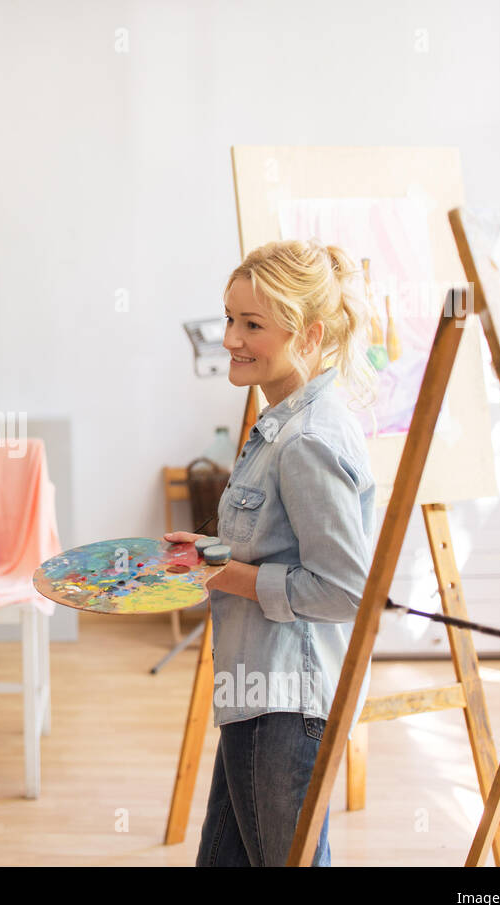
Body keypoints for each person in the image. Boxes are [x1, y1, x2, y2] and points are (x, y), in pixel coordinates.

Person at [166, 240, 377, 866]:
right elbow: (278, 544)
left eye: (252, 325)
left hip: (285, 706)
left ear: (308, 336)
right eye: (230, 318)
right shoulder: (280, 426)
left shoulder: (306, 440)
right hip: (258, 695)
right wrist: (209, 553)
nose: (231, 337)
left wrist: (222, 574)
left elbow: (344, 590)